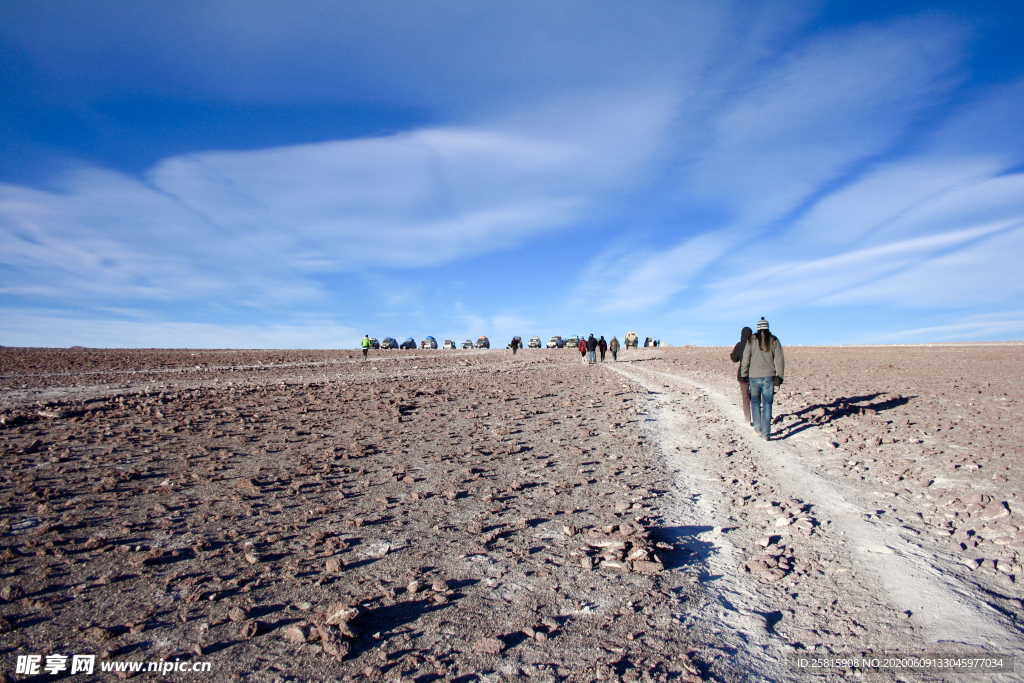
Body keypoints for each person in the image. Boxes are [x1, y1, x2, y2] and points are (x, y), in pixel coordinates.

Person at [740, 318, 784, 440]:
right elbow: (779, 359)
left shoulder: (751, 340)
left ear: (758, 327)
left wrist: (744, 373)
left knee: (755, 402)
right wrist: (779, 376)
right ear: (767, 327)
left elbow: (746, 358)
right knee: (767, 404)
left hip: (753, 377)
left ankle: (758, 427)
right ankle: (766, 433)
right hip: (769, 377)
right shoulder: (774, 340)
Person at [730, 326, 754, 428]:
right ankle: (758, 418)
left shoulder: (739, 345)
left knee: (745, 397)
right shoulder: (755, 345)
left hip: (742, 376)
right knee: (755, 397)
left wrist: (732, 354)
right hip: (755, 375)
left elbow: (734, 358)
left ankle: (748, 418)